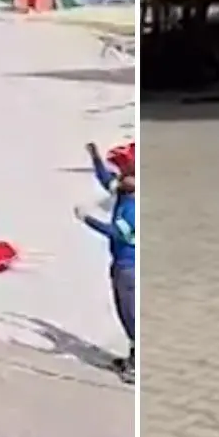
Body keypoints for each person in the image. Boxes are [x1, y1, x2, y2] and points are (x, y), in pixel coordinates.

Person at [76, 141, 135, 376]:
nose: (121, 177)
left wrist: (86, 219)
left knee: (130, 315)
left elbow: (116, 232)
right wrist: (95, 157)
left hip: (129, 267)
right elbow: (105, 179)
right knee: (125, 312)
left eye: (128, 174)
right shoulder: (124, 193)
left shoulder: (132, 208)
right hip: (122, 265)